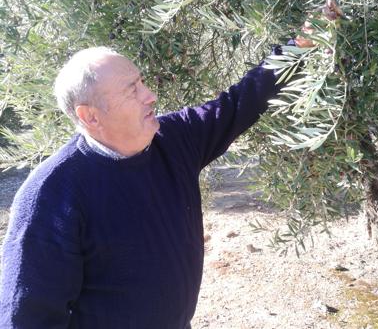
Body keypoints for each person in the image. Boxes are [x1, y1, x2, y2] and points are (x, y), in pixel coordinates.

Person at [0, 45, 285, 328]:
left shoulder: (173, 139)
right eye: (131, 90)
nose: (150, 96)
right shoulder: (52, 197)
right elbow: (25, 317)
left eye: (142, 82)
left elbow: (240, 102)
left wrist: (296, 49)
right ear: (90, 116)